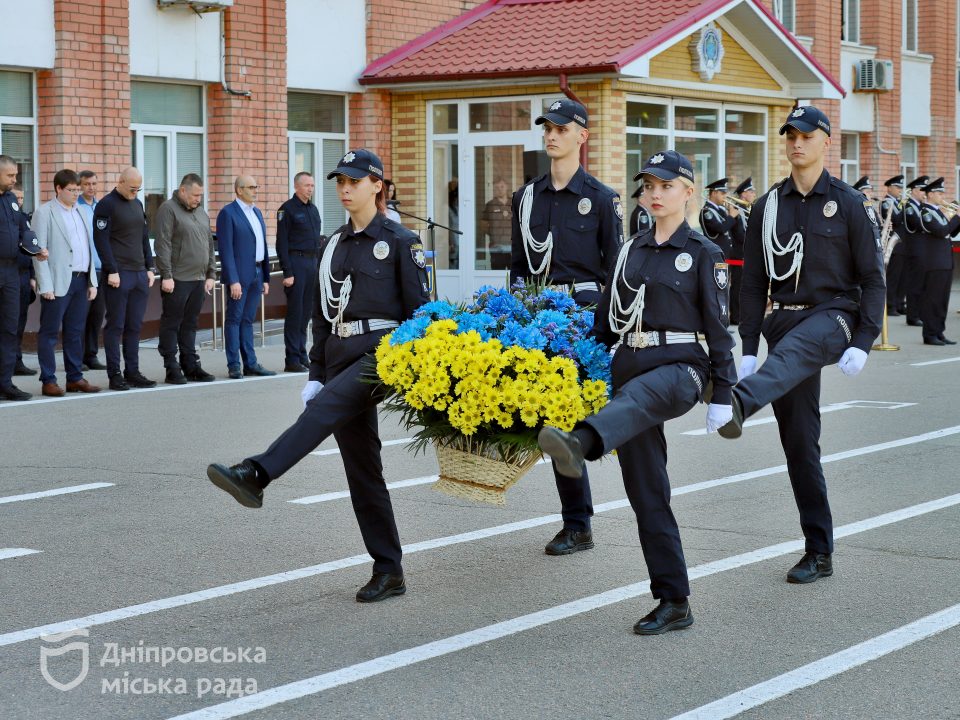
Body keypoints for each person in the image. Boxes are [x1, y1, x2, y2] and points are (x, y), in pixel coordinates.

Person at [206, 149, 430, 603]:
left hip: (384, 353)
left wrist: (410, 366)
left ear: (377, 186)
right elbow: (322, 315)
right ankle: (389, 570)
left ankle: (257, 473)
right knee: (363, 469)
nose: (344, 189)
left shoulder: (401, 241)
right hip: (341, 354)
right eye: (340, 182)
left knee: (326, 410)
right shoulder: (333, 244)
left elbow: (422, 314)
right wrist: (316, 371)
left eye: (354, 181)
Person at [537, 149, 736, 635]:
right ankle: (674, 600)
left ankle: (580, 443)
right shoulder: (631, 250)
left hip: (681, 369)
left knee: (642, 396)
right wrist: (560, 365)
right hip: (630, 370)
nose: (655, 194)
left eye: (666, 186)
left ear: (688, 192)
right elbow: (607, 324)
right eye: (648, 186)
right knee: (647, 493)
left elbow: (719, 328)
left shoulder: (704, 253)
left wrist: (725, 392)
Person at [717, 106, 886, 585]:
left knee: (800, 348)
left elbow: (873, 278)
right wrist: (749, 346)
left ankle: (739, 402)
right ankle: (819, 550)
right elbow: (753, 283)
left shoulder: (850, 203)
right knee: (799, 444)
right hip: (785, 322)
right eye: (790, 135)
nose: (797, 142)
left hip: (834, 315)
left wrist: (865, 339)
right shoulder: (767, 206)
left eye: (807, 135)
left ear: (826, 142)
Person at [509, 97, 624, 557]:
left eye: (561, 128)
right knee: (548, 417)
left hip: (582, 318)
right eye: (547, 128)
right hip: (536, 317)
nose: (552, 135)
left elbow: (616, 271)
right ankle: (576, 522)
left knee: (570, 417)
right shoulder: (526, 197)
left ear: (582, 136)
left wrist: (607, 330)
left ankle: (581, 523)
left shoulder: (601, 199)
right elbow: (518, 267)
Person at [31, 169, 101, 396]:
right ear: (58, 189)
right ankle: (48, 380)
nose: (76, 193)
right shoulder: (44, 213)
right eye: (71, 190)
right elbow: (38, 252)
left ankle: (75, 378)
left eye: (77, 189)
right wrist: (45, 285)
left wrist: (91, 281)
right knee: (50, 332)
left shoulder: (80, 211)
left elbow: (88, 248)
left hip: (81, 280)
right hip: (57, 282)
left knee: (75, 332)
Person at [93, 167, 156, 391]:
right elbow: (101, 240)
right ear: (120, 182)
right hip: (118, 275)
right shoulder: (106, 205)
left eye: (138, 189)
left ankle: (133, 372)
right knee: (116, 325)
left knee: (134, 326)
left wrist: (150, 266)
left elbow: (144, 237)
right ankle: (115, 374)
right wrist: (111, 269)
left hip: (139, 274)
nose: (134, 193)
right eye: (131, 189)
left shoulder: (137, 204)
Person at [154, 173, 217, 383]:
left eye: (201, 195)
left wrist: (211, 273)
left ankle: (190, 364)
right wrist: (166, 275)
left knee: (190, 323)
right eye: (195, 195)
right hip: (177, 278)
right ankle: (171, 366)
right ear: (183, 191)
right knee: (172, 323)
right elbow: (162, 244)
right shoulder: (168, 209)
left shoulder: (201, 212)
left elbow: (209, 244)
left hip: (198, 279)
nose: (198, 199)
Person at [216, 175, 274, 379]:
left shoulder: (256, 212)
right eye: (251, 187)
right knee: (234, 319)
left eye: (256, 186)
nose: (255, 190)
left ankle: (251, 363)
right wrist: (233, 280)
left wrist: (266, 277)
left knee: (248, 320)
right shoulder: (228, 213)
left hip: (257, 273)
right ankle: (234, 365)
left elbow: (262, 245)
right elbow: (226, 250)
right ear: (239, 190)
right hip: (239, 277)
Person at [0, 155, 45, 401]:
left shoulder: (10, 200)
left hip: (11, 272)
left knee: (9, 329)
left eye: (15, 175)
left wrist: (35, 250)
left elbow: (23, 230)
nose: (14, 179)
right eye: (10, 175)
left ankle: (5, 383)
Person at [276, 172, 322, 372]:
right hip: (296, 263)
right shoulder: (287, 209)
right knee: (295, 313)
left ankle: (302, 355)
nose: (310, 189)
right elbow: (282, 243)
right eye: (306, 185)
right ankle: (292, 359)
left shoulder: (313, 209)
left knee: (306, 313)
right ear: (296, 187)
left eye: (312, 185)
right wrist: (287, 272)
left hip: (312, 263)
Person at [915, 177, 959, 345]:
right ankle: (930, 334)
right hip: (934, 262)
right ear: (931, 194)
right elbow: (940, 231)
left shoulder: (938, 211)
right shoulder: (925, 212)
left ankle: (939, 332)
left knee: (942, 300)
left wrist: (958, 220)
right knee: (932, 300)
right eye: (939, 193)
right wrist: (956, 217)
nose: (942, 196)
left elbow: (951, 232)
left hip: (945, 261)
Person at [78, 170, 106, 370]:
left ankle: (91, 355)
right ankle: (77, 357)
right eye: (87, 184)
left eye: (94, 184)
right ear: (80, 185)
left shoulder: (101, 207)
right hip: (85, 271)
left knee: (97, 315)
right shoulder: (76, 208)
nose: (91, 187)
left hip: (102, 269)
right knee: (81, 315)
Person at [12, 184, 37, 377]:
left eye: (22, 198)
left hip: (23, 276)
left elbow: (29, 250)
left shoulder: (23, 218)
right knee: (9, 322)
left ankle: (16, 361)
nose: (19, 202)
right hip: (9, 275)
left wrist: (32, 276)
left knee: (20, 321)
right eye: (16, 198)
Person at [901, 175, 929, 327]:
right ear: (914, 190)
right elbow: (919, 224)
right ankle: (912, 316)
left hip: (922, 249)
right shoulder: (910, 206)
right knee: (915, 284)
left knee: (922, 284)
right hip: (914, 250)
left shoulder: (920, 206)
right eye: (922, 190)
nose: (924, 194)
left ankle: (919, 313)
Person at [729, 177, 756, 325]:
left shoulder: (746, 209)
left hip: (746, 253)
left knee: (745, 286)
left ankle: (742, 314)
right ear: (744, 194)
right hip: (738, 254)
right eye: (751, 191)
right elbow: (740, 234)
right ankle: (736, 316)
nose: (754, 194)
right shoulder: (736, 209)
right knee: (737, 286)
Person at [880, 175, 906, 316]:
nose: (900, 190)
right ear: (889, 188)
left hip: (901, 244)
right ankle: (890, 305)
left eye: (901, 187)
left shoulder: (897, 202)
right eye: (897, 187)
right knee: (893, 277)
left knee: (902, 277)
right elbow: (896, 219)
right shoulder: (886, 202)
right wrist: (903, 205)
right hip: (892, 245)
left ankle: (899, 303)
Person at [698, 177, 738, 260]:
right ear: (714, 193)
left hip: (726, 253)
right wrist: (731, 216)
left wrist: (735, 215)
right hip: (715, 254)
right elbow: (721, 228)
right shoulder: (706, 211)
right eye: (722, 193)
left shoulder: (721, 209)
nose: (725, 196)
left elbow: (731, 228)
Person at [479, 176, 512, 270]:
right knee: (497, 273)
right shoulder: (490, 205)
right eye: (497, 187)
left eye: (502, 186)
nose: (500, 189)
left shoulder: (514, 203)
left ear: (507, 187)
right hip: (496, 247)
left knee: (514, 275)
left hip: (513, 248)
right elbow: (483, 225)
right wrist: (493, 233)